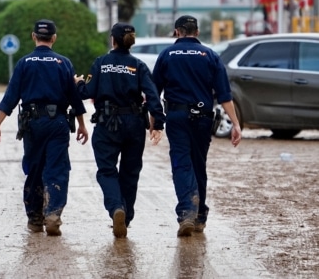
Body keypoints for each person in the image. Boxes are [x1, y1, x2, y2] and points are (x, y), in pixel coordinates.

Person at [0, 19, 88, 236]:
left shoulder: (24, 63)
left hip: (32, 124)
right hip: (58, 124)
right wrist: (81, 125)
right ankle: (53, 214)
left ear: (34, 37)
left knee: (34, 168)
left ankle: (35, 219)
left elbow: (10, 97)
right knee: (57, 168)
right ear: (54, 38)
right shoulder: (64, 63)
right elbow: (75, 98)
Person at [152, 15, 242, 237]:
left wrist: (155, 120)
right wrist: (236, 124)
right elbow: (224, 95)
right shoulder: (210, 55)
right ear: (197, 32)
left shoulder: (167, 55)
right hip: (203, 118)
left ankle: (187, 212)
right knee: (199, 165)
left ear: (177, 32)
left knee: (181, 163)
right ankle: (200, 216)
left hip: (176, 116)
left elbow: (154, 91)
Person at [74, 22, 165, 238]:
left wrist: (77, 83)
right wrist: (158, 123)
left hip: (107, 124)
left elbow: (87, 92)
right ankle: (127, 216)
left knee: (107, 170)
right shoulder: (139, 65)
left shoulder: (101, 63)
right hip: (134, 123)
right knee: (130, 172)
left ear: (112, 40)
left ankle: (117, 208)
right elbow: (153, 95)